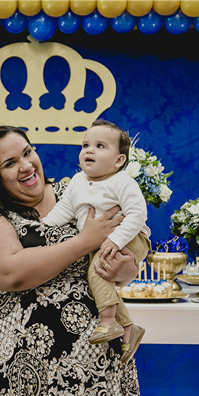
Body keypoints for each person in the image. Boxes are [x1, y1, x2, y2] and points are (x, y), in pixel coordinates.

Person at [0, 125, 142, 396]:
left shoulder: (79, 190)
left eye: (27, 153)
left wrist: (126, 267)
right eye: (10, 163)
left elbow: (125, 253)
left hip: (96, 364)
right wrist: (84, 242)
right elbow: (11, 272)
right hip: (22, 373)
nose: (26, 166)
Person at [37, 119, 150, 355]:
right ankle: (129, 326)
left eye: (100, 146)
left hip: (131, 237)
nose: (89, 150)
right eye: (85, 145)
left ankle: (108, 322)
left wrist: (116, 239)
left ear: (119, 160)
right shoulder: (77, 182)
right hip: (99, 241)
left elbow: (137, 214)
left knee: (97, 269)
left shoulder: (122, 182)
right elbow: (63, 210)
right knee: (99, 278)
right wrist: (42, 227)